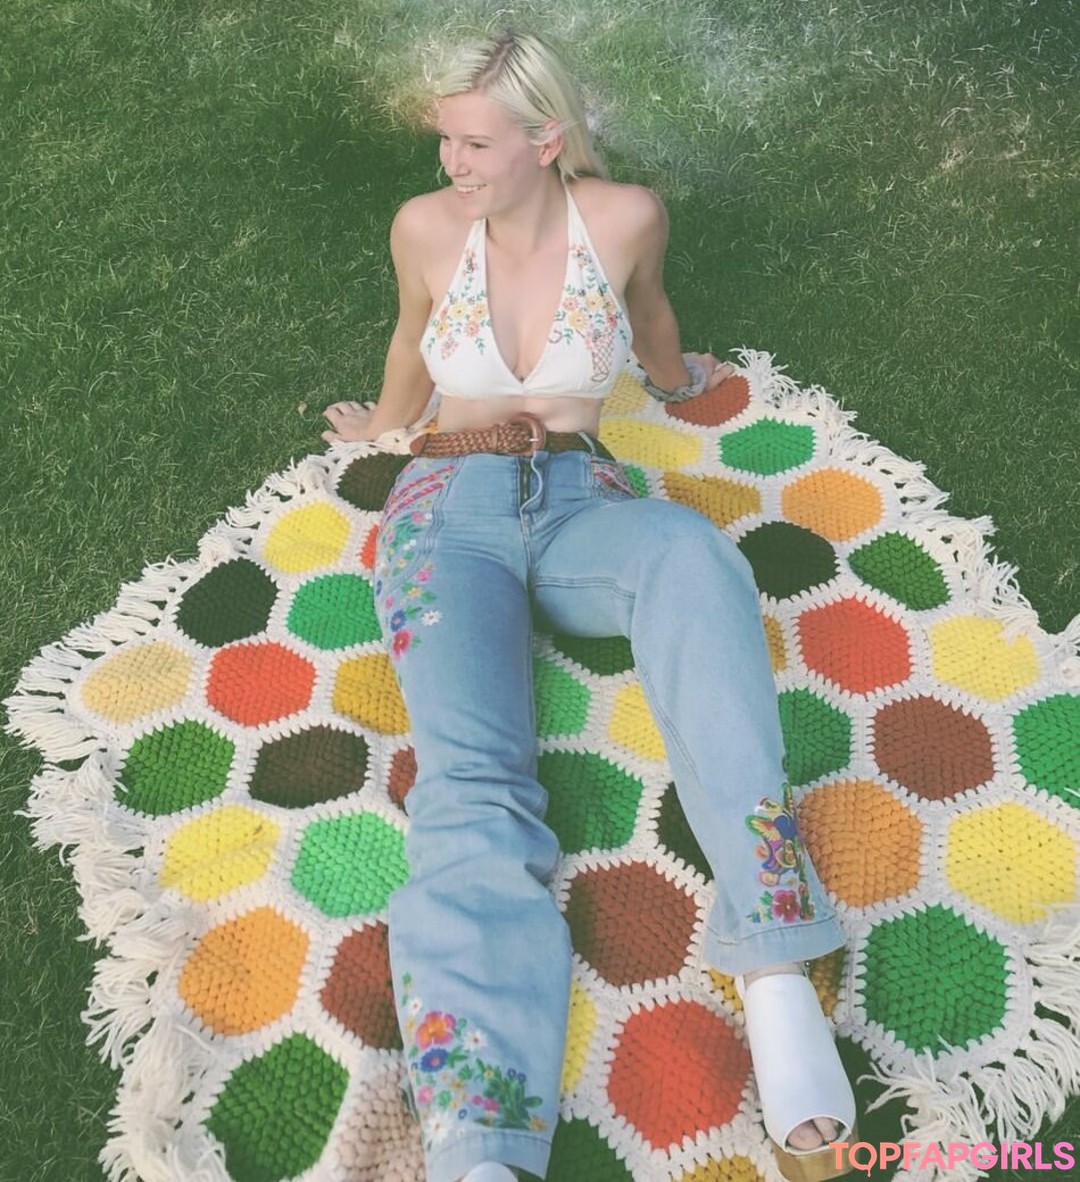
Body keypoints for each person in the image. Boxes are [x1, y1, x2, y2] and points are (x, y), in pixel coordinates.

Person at [323, 30, 855, 1182]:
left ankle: (776, 976)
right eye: (446, 141)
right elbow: (412, 335)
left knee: (695, 560)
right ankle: (482, 1143)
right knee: (473, 782)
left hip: (578, 503)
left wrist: (673, 379)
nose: (452, 162)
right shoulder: (425, 227)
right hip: (444, 514)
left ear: (546, 138)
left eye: (476, 143)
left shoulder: (625, 219)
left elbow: (649, 313)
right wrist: (384, 423)